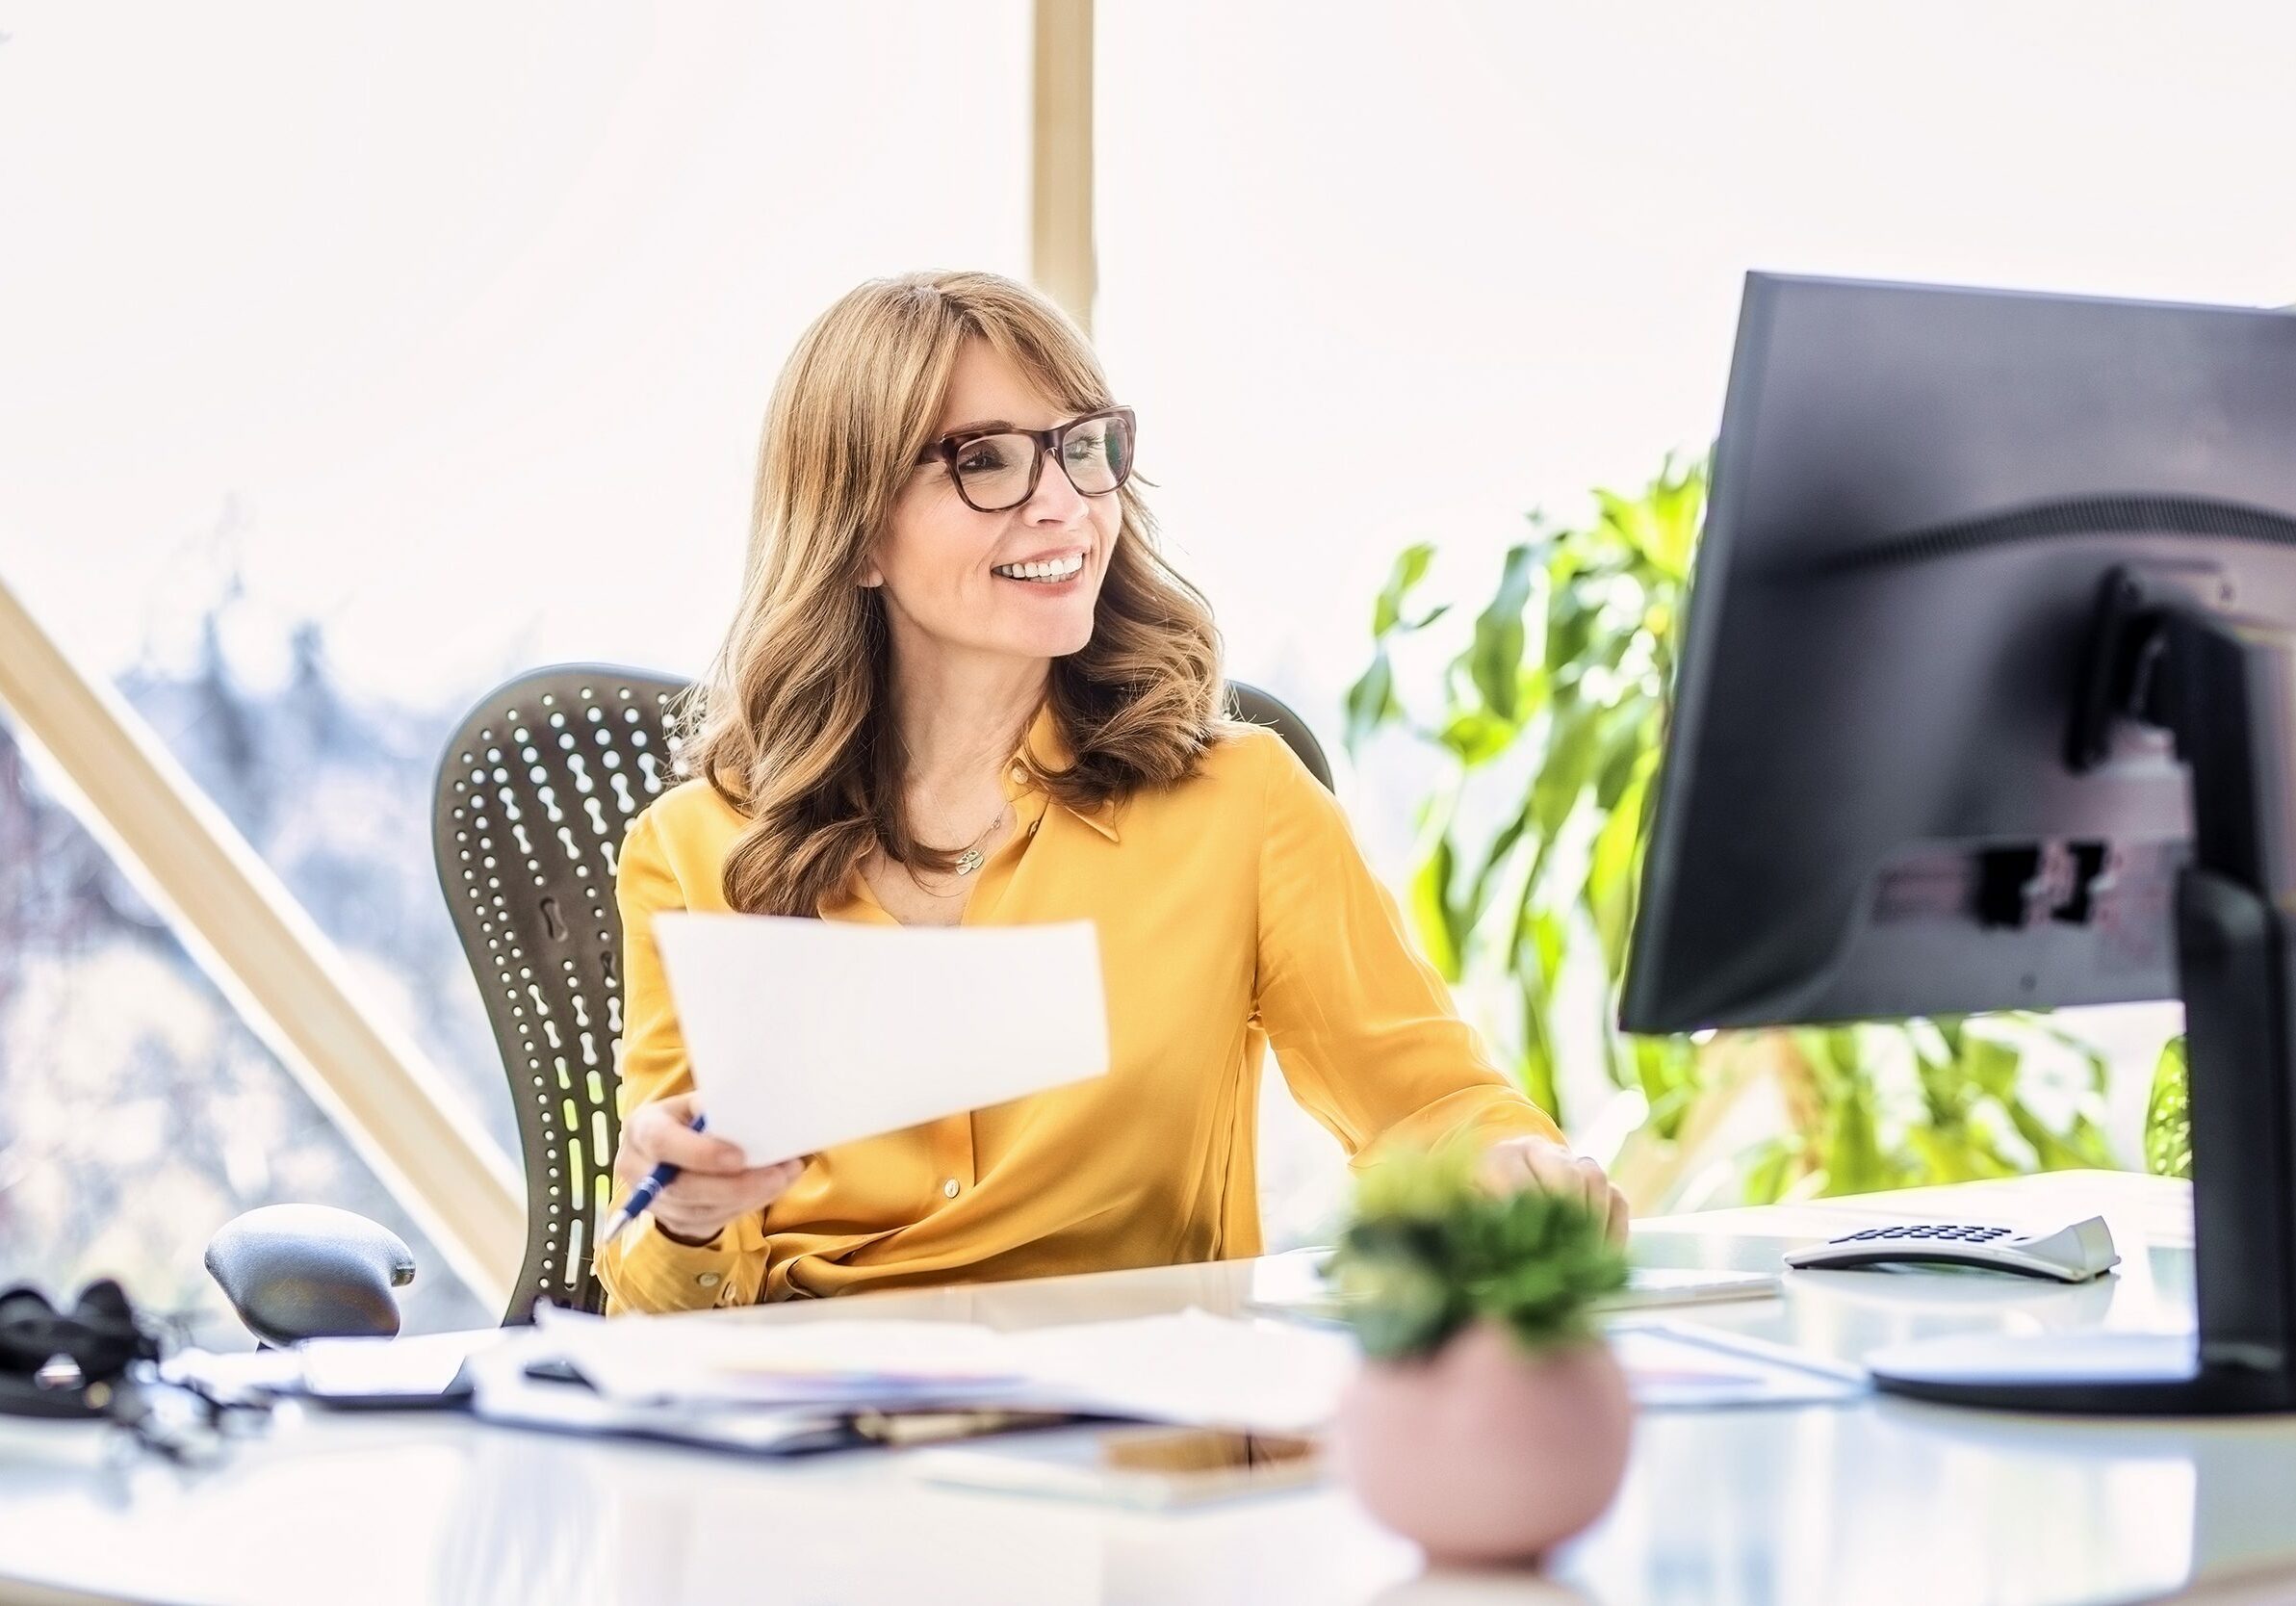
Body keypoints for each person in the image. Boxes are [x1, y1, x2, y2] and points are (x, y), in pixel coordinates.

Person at [596, 270, 1627, 1314]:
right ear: (858, 533)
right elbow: (660, 1291)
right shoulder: (691, 849)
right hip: (807, 1435)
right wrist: (681, 1209)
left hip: (1130, 1428)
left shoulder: (1241, 805)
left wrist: (1512, 1175)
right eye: (986, 461)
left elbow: (1428, 1108)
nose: (1066, 504)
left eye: (1083, 448)